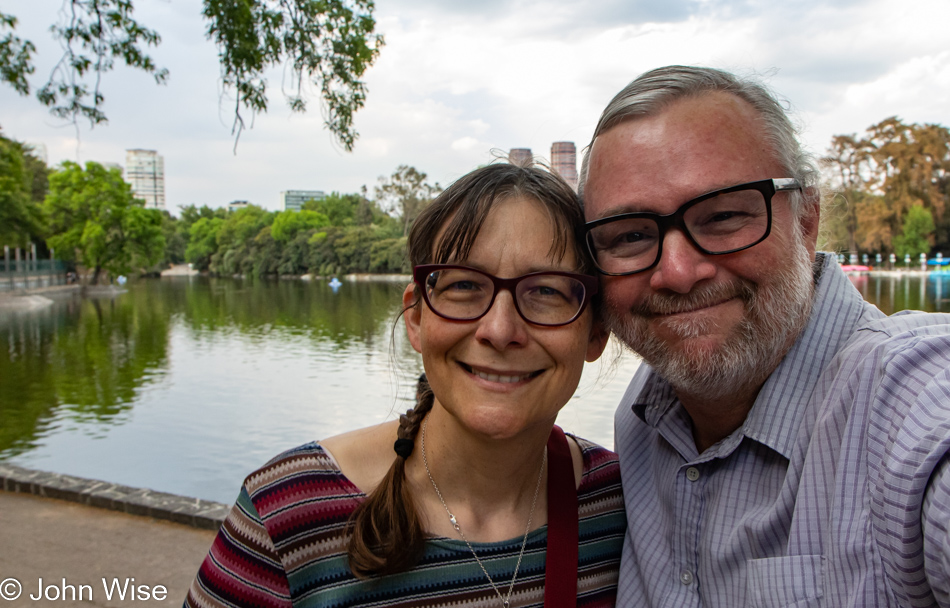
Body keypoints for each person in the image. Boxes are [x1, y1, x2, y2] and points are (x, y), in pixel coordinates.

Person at [580, 65, 950, 607]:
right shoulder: (643, 417)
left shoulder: (907, 403)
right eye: (631, 235)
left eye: (724, 216)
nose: (679, 273)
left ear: (806, 219)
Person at [184, 163, 626, 608]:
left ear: (596, 332)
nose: (499, 328)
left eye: (548, 291)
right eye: (465, 285)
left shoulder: (625, 505)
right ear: (416, 318)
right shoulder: (288, 515)